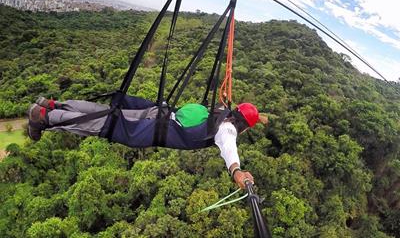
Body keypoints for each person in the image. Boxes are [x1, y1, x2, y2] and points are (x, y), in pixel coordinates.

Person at [28, 97, 268, 189]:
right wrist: (236, 171)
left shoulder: (220, 111)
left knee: (109, 113)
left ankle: (54, 105)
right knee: (104, 126)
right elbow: (229, 149)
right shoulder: (227, 129)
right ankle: (45, 117)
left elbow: (235, 115)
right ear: (243, 126)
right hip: (153, 130)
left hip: (159, 113)